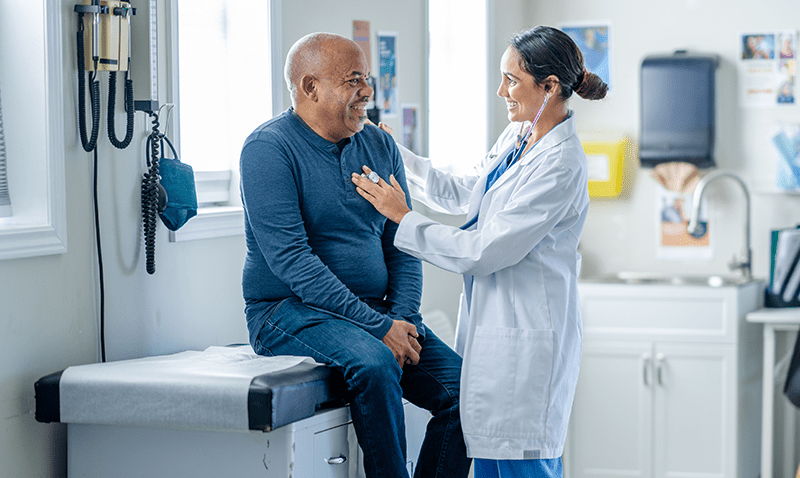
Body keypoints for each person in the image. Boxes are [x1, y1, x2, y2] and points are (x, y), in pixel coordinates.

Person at [352, 25, 607, 478]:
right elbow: (467, 193)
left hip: (527, 346)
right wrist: (399, 155)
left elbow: (484, 251)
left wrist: (402, 218)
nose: (501, 90)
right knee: (489, 460)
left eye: (512, 80)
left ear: (549, 88)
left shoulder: (561, 163)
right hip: (495, 339)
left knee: (522, 464)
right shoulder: (519, 136)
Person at [239, 32, 471, 478]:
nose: (367, 91)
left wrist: (402, 319)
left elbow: (401, 241)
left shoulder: (379, 145)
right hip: (287, 311)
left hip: (375, 311)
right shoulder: (268, 149)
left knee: (467, 392)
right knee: (375, 361)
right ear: (310, 87)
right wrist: (381, 328)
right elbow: (292, 261)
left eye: (366, 78)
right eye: (353, 80)